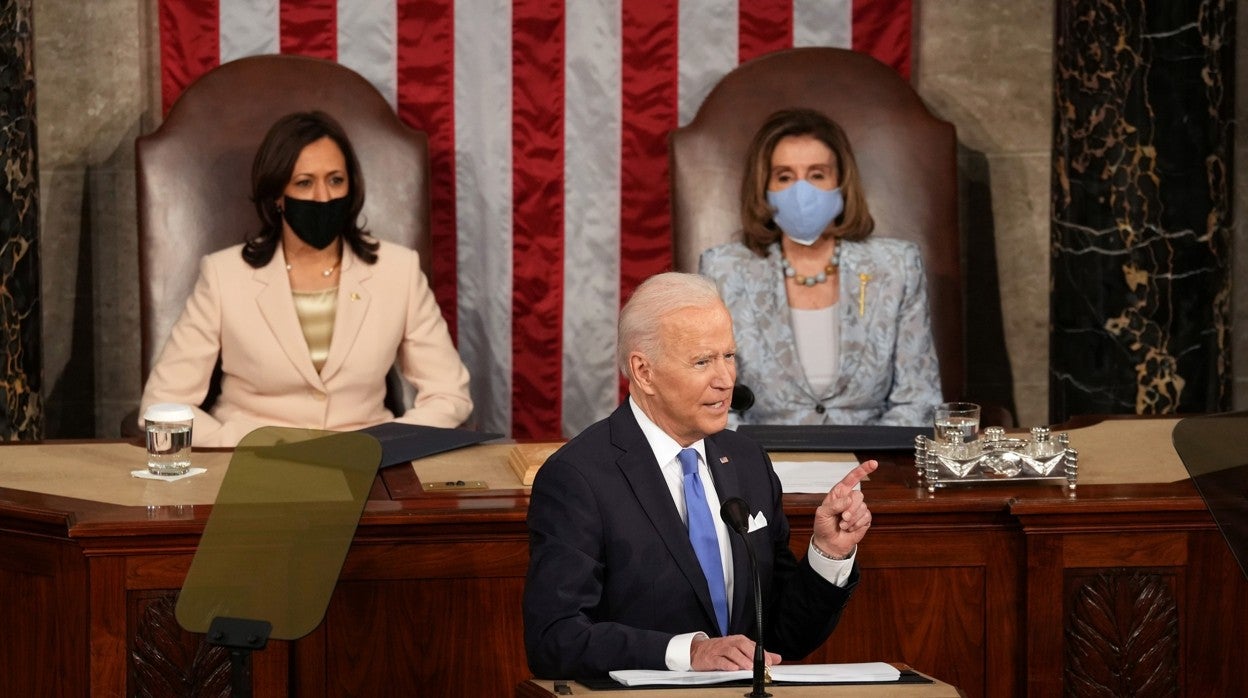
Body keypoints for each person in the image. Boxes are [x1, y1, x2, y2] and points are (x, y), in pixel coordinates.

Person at [523, 272, 876, 678]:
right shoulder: (579, 477)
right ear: (644, 371)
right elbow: (554, 639)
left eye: (728, 356)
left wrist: (828, 552)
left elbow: (782, 635)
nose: (726, 380)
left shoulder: (747, 461)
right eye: (703, 361)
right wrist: (687, 653)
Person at [139, 110, 472, 446]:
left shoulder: (398, 270)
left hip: (364, 470)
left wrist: (388, 444)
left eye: (335, 180)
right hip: (252, 471)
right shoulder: (224, 275)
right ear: (278, 196)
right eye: (304, 182)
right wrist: (234, 444)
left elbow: (450, 394)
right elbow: (161, 405)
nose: (323, 197)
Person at [699, 107, 942, 427]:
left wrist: (867, 464)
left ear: (840, 182)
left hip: (872, 464)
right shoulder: (723, 270)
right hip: (762, 462)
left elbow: (919, 399)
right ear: (763, 188)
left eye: (817, 175)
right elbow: (710, 399)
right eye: (784, 177)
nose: (803, 192)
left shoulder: (897, 267)